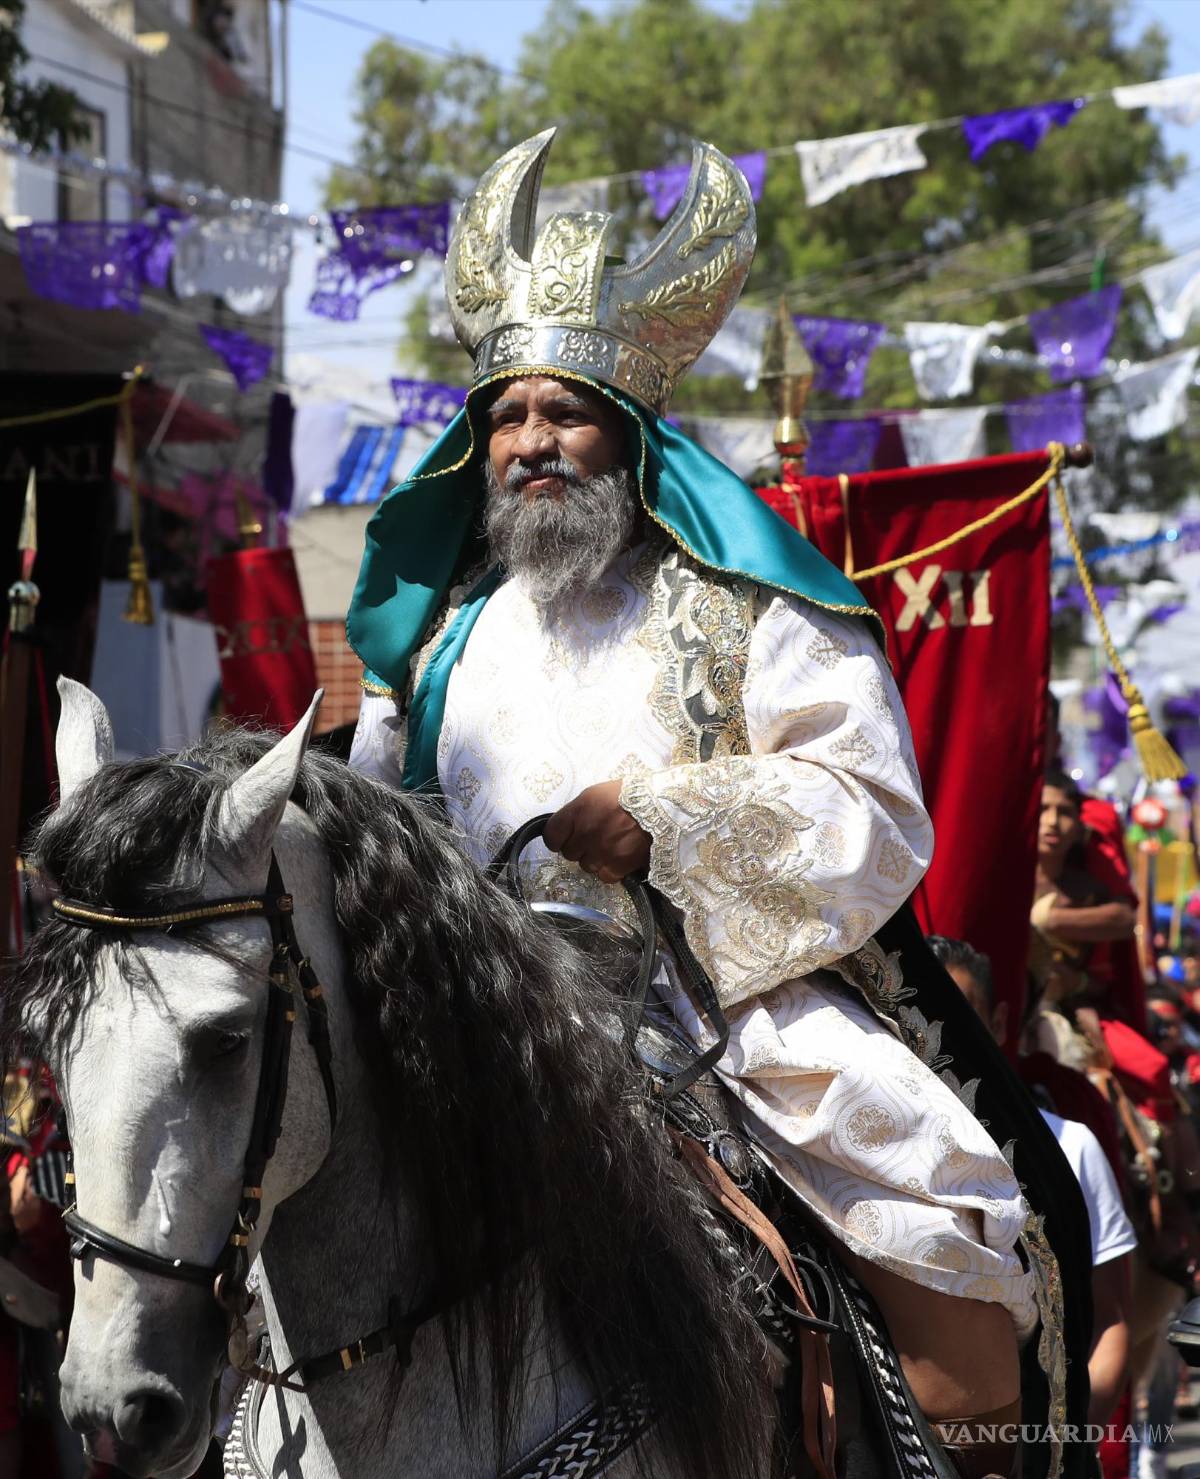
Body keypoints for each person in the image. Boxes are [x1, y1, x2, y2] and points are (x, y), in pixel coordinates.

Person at [347, 130, 1091, 1478]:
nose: (531, 443)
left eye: (562, 413)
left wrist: (671, 820)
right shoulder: (439, 639)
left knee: (961, 1260)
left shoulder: (750, 602)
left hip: (729, 1008)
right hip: (479, 1024)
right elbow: (364, 835)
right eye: (507, 415)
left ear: (625, 430)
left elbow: (869, 802)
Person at [933, 935, 1136, 1429]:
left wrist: (1067, 1447)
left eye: (958, 1017)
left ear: (998, 1024)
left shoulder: (1071, 1147)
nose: (934, 1039)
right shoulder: (853, 1155)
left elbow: (1109, 1321)